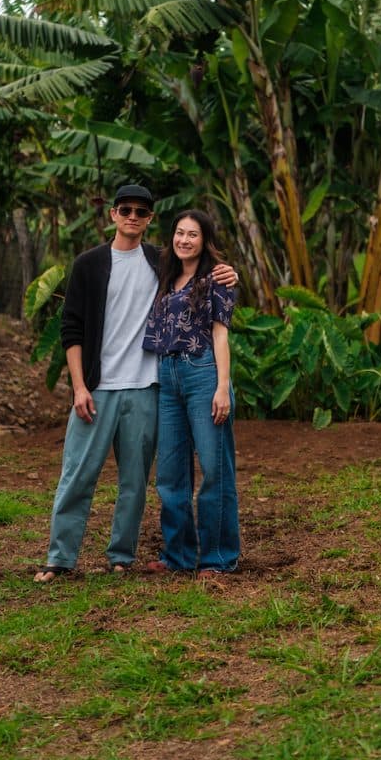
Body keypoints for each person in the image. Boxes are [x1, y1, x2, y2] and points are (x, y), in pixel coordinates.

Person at [34, 185, 236, 582]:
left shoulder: (160, 262)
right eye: (125, 209)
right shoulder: (89, 264)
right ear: (113, 214)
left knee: (135, 482)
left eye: (141, 212)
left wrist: (229, 272)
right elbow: (71, 328)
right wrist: (78, 386)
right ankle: (60, 558)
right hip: (98, 388)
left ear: (149, 219)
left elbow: (204, 274)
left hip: (147, 386)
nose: (132, 216)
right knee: (77, 474)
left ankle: (121, 556)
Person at [142, 209, 240, 576]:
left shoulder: (217, 279)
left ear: (205, 240)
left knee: (214, 469)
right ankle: (178, 555)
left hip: (203, 373)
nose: (185, 240)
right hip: (167, 376)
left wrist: (222, 387)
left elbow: (221, 334)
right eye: (180, 233)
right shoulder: (166, 276)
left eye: (193, 234)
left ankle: (218, 558)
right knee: (170, 472)